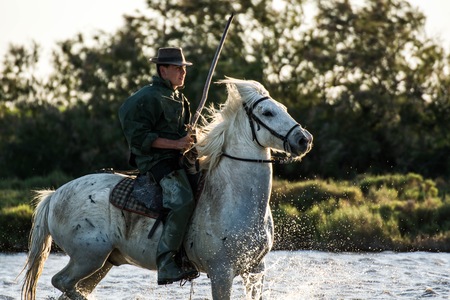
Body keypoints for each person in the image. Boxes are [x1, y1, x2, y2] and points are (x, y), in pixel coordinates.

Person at [118, 47, 198, 285]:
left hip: (178, 158)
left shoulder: (181, 99)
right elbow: (139, 137)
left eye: (184, 68)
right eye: (177, 68)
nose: (183, 72)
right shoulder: (145, 98)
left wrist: (193, 139)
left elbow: (184, 135)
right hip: (156, 162)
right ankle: (165, 263)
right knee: (182, 201)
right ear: (163, 70)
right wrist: (177, 144)